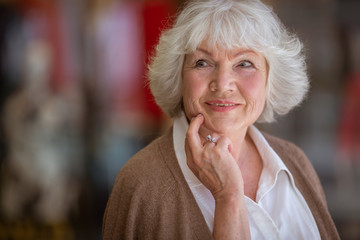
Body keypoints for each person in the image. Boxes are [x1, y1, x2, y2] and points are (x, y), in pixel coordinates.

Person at [102, 0, 340, 239]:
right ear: (179, 77)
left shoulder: (295, 162)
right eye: (202, 62)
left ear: (271, 79)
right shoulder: (141, 184)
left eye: (244, 63)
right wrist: (228, 196)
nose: (223, 83)